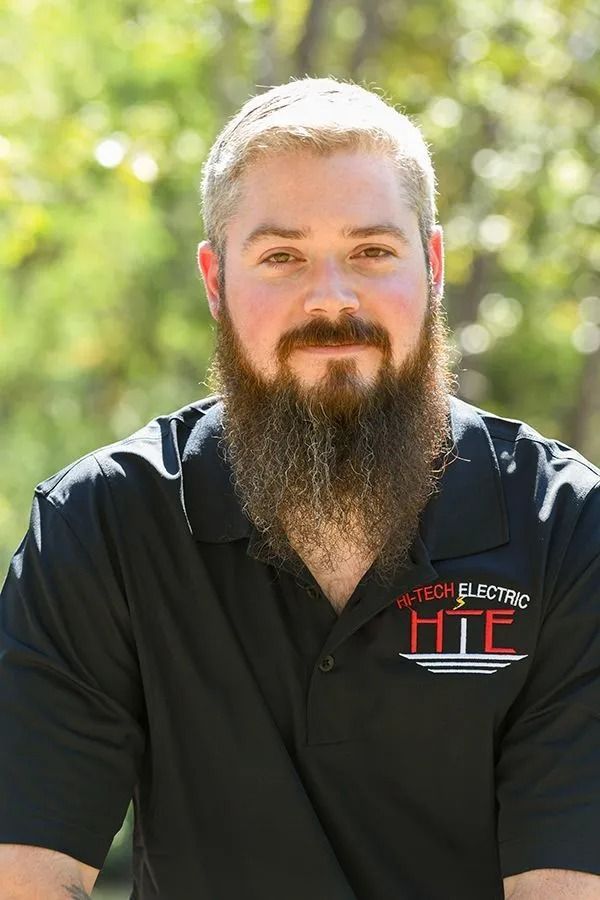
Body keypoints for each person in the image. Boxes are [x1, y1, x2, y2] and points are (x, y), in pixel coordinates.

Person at [0, 77, 599, 900]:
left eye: (371, 252)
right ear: (216, 281)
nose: (331, 298)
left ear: (432, 266)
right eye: (281, 256)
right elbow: (24, 874)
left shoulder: (569, 529)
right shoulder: (101, 522)